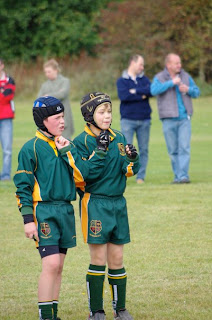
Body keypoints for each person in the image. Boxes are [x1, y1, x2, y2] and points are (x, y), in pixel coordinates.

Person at [13, 96, 109, 320]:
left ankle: (52, 314)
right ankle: (45, 316)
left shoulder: (68, 145)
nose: (62, 121)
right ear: (43, 121)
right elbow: (22, 187)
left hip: (65, 211)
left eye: (63, 116)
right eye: (57, 118)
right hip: (44, 211)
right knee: (51, 264)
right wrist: (28, 220)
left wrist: (68, 153)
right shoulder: (31, 148)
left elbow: (82, 176)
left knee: (59, 267)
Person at [71, 92, 140, 320]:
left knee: (117, 259)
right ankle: (96, 311)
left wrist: (132, 159)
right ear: (89, 115)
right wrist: (99, 151)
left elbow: (127, 171)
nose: (107, 116)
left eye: (109, 111)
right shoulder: (80, 142)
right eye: (102, 112)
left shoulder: (118, 136)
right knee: (98, 260)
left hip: (118, 204)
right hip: (96, 204)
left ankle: (120, 309)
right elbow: (82, 176)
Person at [151, 53, 200, 183]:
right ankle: (177, 176)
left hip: (184, 118)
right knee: (173, 150)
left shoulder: (186, 76)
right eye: (177, 63)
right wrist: (171, 83)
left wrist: (188, 89)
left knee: (184, 147)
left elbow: (197, 92)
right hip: (168, 118)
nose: (180, 65)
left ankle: (183, 176)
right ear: (169, 65)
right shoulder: (159, 77)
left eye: (180, 63)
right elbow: (153, 91)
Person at [116, 54, 152, 184]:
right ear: (132, 62)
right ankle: (123, 174)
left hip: (144, 119)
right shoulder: (121, 81)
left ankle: (140, 177)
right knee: (124, 148)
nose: (142, 67)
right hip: (127, 120)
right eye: (140, 64)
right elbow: (124, 96)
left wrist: (134, 91)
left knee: (144, 149)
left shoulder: (145, 79)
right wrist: (140, 94)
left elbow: (150, 91)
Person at [38, 59, 74, 139]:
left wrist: (47, 96)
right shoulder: (44, 85)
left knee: (66, 146)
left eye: (49, 71)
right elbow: (39, 100)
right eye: (45, 72)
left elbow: (62, 94)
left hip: (64, 120)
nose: (47, 74)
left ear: (56, 70)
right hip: (49, 121)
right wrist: (55, 94)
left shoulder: (65, 81)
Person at [0, 58, 16, 181]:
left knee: (7, 149)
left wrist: (3, 93)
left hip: (6, 118)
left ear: (2, 65)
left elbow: (7, 97)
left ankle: (5, 175)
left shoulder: (10, 80)